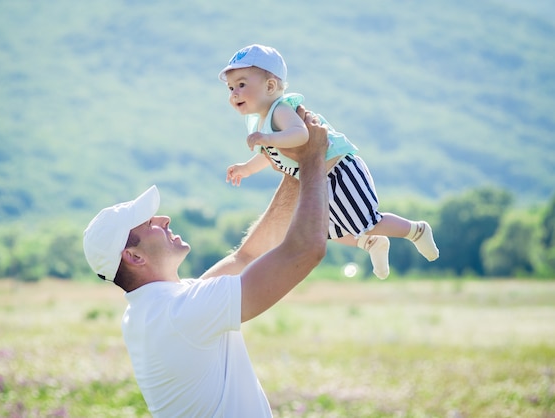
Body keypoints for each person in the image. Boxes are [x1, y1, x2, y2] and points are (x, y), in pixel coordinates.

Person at [83, 108, 329, 417]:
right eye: (148, 223)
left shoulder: (156, 309)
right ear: (134, 256)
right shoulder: (181, 312)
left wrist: (294, 174)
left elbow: (246, 256)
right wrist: (313, 160)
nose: (164, 218)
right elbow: (306, 250)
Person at [219, 43, 439, 279]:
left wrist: (268, 137)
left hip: (339, 171)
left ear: (271, 85)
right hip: (319, 180)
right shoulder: (259, 121)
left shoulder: (280, 110)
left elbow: (301, 134)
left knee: (367, 220)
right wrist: (247, 168)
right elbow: (267, 154)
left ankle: (416, 230)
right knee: (325, 230)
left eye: (242, 85)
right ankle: (372, 244)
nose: (234, 93)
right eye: (231, 88)